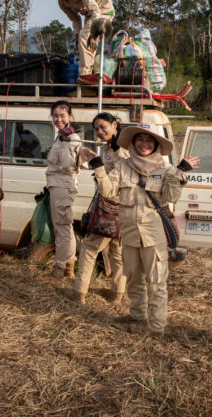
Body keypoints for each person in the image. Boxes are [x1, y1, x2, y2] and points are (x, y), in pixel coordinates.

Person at [81, 123, 199, 338]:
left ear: (155, 145)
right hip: (129, 235)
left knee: (156, 282)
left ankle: (156, 328)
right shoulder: (122, 166)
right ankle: (136, 318)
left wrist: (181, 171)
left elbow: (171, 196)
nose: (144, 144)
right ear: (133, 143)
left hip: (153, 237)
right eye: (140, 140)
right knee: (134, 279)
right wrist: (98, 166)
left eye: (149, 140)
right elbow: (108, 192)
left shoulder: (166, 169)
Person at [58, 112, 128, 305]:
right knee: (117, 251)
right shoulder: (112, 148)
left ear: (115, 125)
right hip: (120, 210)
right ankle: (117, 294)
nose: (99, 132)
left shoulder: (121, 151)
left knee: (89, 249)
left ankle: (79, 292)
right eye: (96, 129)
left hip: (111, 208)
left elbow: (112, 187)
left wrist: (97, 166)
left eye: (103, 127)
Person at [43, 0, 115, 85]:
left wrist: (93, 34)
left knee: (85, 37)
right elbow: (75, 19)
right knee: (84, 40)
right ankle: (90, 76)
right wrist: (77, 35)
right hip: (90, 14)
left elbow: (95, 10)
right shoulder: (62, 3)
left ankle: (85, 76)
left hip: (104, 9)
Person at [45, 101, 82, 279]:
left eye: (62, 116)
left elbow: (68, 167)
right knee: (66, 227)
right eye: (55, 115)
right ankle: (69, 265)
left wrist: (67, 142)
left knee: (61, 228)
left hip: (63, 185)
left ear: (70, 117)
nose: (58, 119)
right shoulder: (60, 135)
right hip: (58, 185)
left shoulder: (71, 138)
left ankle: (59, 269)